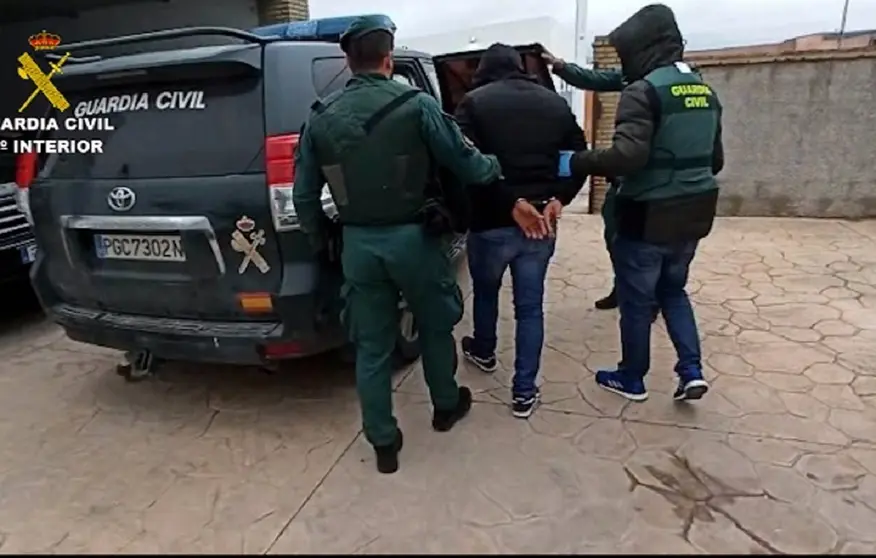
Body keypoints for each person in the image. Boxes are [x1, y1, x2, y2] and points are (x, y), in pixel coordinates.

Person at [292, 15, 502, 474]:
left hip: (358, 245)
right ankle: (445, 405)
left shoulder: (320, 118)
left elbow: (304, 196)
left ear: (348, 62)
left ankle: (384, 443)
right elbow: (466, 163)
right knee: (434, 325)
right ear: (388, 59)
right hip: (415, 241)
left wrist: (322, 237)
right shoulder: (417, 105)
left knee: (371, 346)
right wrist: (496, 167)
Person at [566, 3, 725, 402]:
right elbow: (716, 160)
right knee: (674, 292)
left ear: (642, 47)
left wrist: (579, 161)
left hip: (648, 216)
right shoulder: (704, 90)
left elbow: (627, 157)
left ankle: (632, 378)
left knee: (637, 302)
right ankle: (691, 371)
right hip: (695, 213)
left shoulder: (643, 91)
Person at [453, 43, 588, 418]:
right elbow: (579, 155)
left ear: (485, 70)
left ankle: (484, 350)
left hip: (491, 221)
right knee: (530, 308)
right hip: (542, 222)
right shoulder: (554, 103)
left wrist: (511, 202)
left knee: (485, 291)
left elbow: (465, 162)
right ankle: (525, 392)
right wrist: (561, 197)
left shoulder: (473, 103)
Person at [542, 52, 660, 320]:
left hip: (653, 182)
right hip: (624, 183)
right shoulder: (634, 77)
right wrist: (559, 66)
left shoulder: (664, 86)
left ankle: (649, 298)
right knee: (616, 237)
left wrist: (580, 162)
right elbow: (595, 78)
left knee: (648, 244)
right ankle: (623, 288)